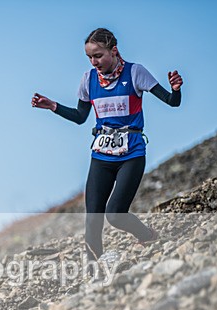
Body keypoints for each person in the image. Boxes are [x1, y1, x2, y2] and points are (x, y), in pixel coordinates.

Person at [31, 27, 183, 261]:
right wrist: (53, 106)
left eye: (98, 55)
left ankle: (147, 235)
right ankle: (94, 269)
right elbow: (80, 117)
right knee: (93, 218)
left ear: (114, 51)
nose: (94, 62)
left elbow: (172, 102)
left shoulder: (135, 73)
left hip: (131, 153)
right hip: (101, 155)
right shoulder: (88, 80)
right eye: (90, 57)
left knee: (115, 214)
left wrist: (176, 90)